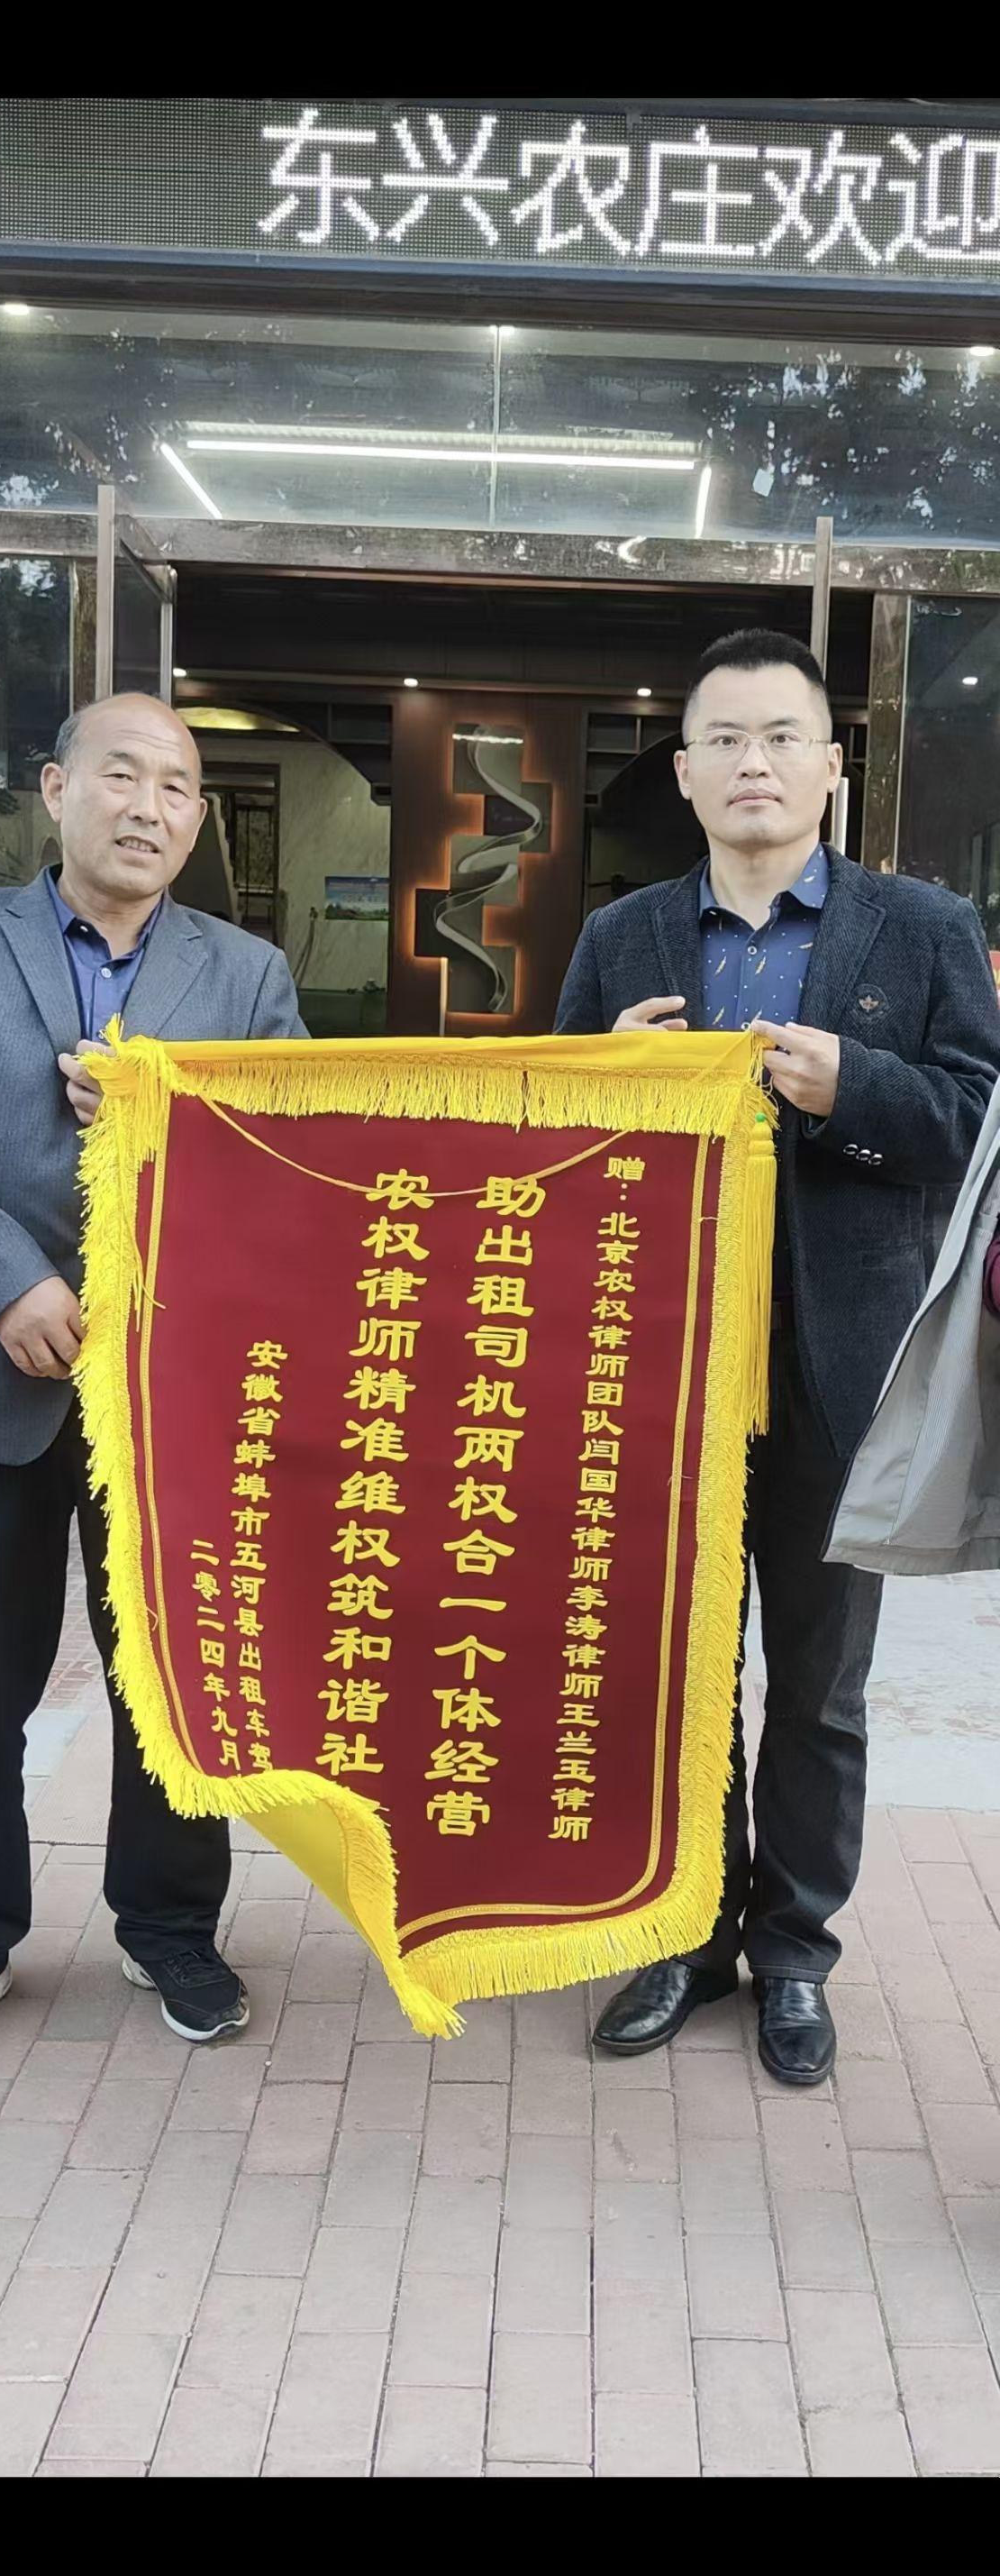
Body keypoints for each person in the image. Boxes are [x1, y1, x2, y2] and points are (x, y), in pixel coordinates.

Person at [556, 628, 1000, 2083]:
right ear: (684, 774)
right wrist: (612, 1089)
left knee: (817, 1684)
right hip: (663, 1382)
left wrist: (850, 1085)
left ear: (830, 765)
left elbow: (977, 1122)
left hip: (839, 1374)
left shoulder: (921, 927)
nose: (754, 762)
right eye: (724, 739)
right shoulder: (621, 938)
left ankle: (794, 1952)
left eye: (781, 736)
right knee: (671, 1677)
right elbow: (547, 1151)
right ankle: (683, 1935)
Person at [0, 692, 305, 2075]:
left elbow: (294, 1159)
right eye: (123, 774)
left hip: (169, 1397)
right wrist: (7, 1282)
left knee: (172, 1680)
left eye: (177, 786)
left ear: (197, 817)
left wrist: (175, 1127)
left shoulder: (246, 975)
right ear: (56, 789)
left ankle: (171, 1927)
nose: (150, 806)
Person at [829, 1072, 1000, 1578]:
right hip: (664, 1322)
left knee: (829, 1611)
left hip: (846, 1342)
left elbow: (967, 1110)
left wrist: (850, 1088)